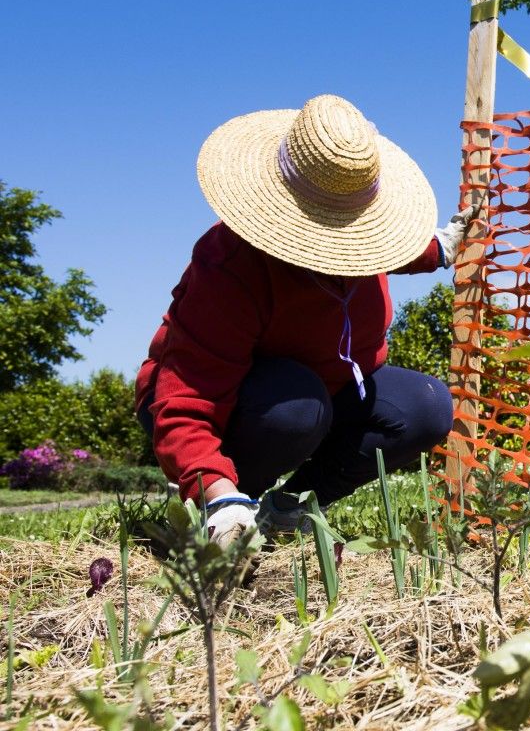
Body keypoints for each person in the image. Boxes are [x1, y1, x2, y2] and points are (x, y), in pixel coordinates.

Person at [136, 94, 478, 547]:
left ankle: (285, 509)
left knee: (426, 407)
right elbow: (185, 403)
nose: (344, 250)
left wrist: (437, 249)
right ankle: (231, 507)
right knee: (297, 407)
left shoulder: (365, 240)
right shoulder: (231, 264)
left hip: (323, 392)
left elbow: (394, 248)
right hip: (237, 403)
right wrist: (214, 490)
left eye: (358, 231)